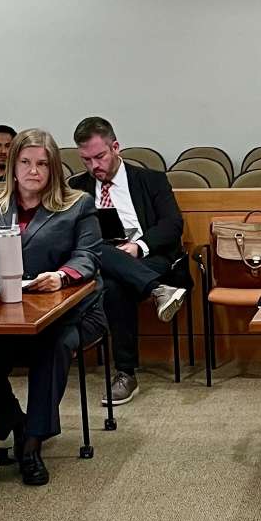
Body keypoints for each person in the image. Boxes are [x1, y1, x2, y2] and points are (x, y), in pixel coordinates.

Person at [0, 128, 106, 486]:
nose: (33, 170)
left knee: (52, 346)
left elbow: (89, 255)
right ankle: (17, 424)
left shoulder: (76, 205)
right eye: (25, 162)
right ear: (12, 165)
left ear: (53, 169)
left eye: (42, 164)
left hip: (64, 311)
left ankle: (32, 446)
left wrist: (63, 275)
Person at [69, 117, 186, 406]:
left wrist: (138, 246)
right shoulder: (76, 187)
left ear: (116, 147)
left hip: (150, 258)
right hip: (98, 257)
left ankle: (125, 372)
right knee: (100, 255)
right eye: (86, 160)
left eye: (100, 156)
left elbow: (172, 224)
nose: (94, 166)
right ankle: (158, 291)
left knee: (113, 284)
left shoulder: (151, 180)